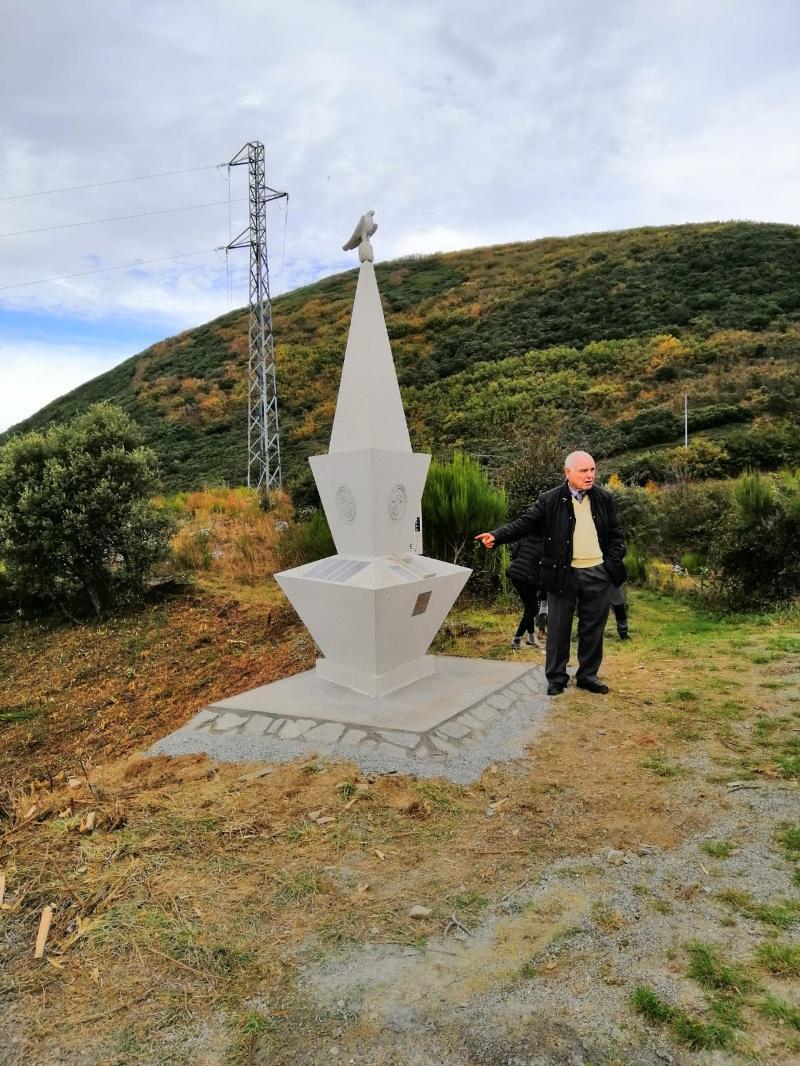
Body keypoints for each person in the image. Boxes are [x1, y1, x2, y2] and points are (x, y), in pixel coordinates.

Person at [475, 451, 626, 696]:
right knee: (558, 628)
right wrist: (498, 535)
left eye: (592, 470)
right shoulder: (550, 499)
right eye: (583, 471)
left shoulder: (604, 499)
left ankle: (588, 675)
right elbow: (525, 523)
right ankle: (557, 677)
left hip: (598, 572)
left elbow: (616, 535)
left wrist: (612, 561)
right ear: (568, 473)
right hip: (562, 574)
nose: (590, 475)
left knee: (593, 628)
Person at [508, 535, 547, 650]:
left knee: (529, 607)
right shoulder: (545, 543)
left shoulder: (524, 537)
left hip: (515, 574)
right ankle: (517, 639)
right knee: (533, 608)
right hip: (528, 578)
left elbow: (514, 554)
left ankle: (531, 637)